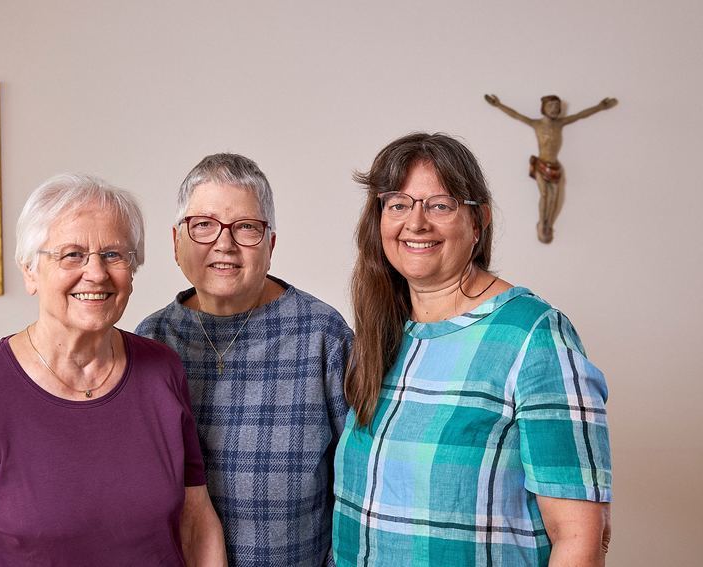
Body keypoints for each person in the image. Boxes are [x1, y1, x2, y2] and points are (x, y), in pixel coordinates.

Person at [0, 173, 227, 566]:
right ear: (30, 271)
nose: (96, 273)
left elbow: (195, 522)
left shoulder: (162, 370)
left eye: (113, 254)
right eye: (72, 254)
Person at [333, 133, 612, 566]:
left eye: (440, 205)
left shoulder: (533, 335)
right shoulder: (382, 334)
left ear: (477, 221)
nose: (416, 223)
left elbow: (578, 538)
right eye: (398, 204)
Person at [136, 153, 353, 566]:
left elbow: (361, 482)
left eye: (246, 228)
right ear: (176, 243)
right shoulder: (151, 342)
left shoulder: (324, 335)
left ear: (270, 245)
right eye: (203, 225)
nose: (224, 244)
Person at [484, 94, 617, 243]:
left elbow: (580, 115)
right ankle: (542, 222)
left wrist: (600, 107)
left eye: (557, 106)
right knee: (545, 194)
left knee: (554, 197)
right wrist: (498, 105)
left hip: (554, 166)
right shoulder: (537, 124)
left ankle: (548, 223)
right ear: (543, 108)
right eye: (551, 106)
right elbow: (516, 115)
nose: (554, 109)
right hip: (541, 164)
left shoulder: (559, 124)